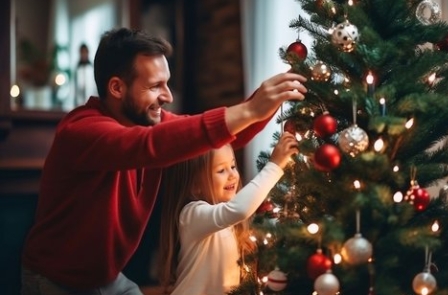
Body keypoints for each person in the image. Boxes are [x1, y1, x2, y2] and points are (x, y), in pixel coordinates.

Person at [20, 27, 307, 295]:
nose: (167, 96)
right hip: (53, 282)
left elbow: (209, 143)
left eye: (166, 83)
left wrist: (266, 104)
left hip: (106, 279)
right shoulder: (81, 131)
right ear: (117, 88)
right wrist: (250, 110)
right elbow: (148, 147)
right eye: (155, 86)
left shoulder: (148, 123)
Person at [157, 132, 299, 295]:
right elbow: (238, 210)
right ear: (195, 184)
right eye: (221, 170)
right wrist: (274, 166)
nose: (232, 175)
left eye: (232, 166)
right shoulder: (191, 215)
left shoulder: (227, 222)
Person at [74, 43, 97, 107]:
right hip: (78, 101)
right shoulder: (77, 68)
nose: (84, 54)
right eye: (82, 52)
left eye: (85, 52)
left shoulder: (92, 68)